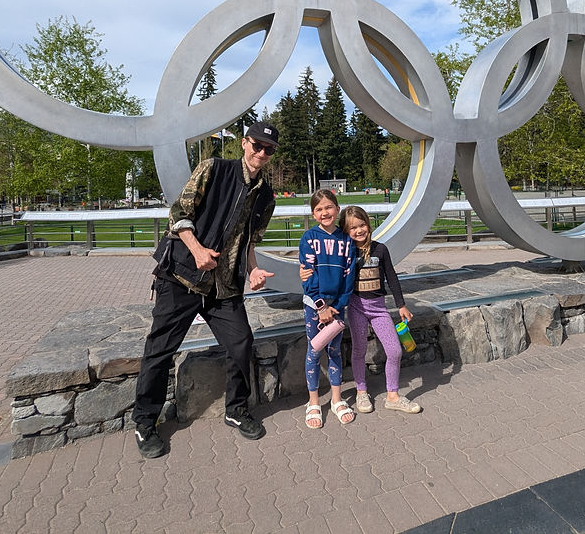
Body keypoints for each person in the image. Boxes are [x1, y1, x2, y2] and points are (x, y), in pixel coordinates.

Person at [131, 122, 279, 458]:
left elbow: (250, 242)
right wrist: (197, 250)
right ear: (244, 143)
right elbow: (179, 214)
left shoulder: (266, 196)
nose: (261, 153)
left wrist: (253, 270)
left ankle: (236, 409)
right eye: (257, 145)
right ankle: (144, 422)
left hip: (223, 286)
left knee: (241, 343)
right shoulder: (214, 168)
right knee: (160, 350)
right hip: (181, 277)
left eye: (268, 149)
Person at [302, 205, 421, 415]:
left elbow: (391, 277)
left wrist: (401, 304)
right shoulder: (346, 251)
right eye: (352, 228)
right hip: (356, 307)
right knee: (359, 350)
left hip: (379, 309)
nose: (358, 231)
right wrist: (305, 272)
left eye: (361, 225)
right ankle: (361, 391)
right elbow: (328, 267)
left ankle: (392, 395)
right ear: (345, 231)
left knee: (394, 350)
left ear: (368, 224)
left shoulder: (381, 249)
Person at [299, 189, 356, 428]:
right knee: (314, 352)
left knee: (334, 352)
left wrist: (337, 306)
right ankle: (313, 402)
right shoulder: (309, 238)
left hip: (336, 309)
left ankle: (336, 398)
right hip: (315, 307)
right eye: (319, 209)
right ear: (314, 214)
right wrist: (321, 306)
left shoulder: (346, 241)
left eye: (328, 207)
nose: (325, 212)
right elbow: (308, 276)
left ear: (337, 208)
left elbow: (348, 277)